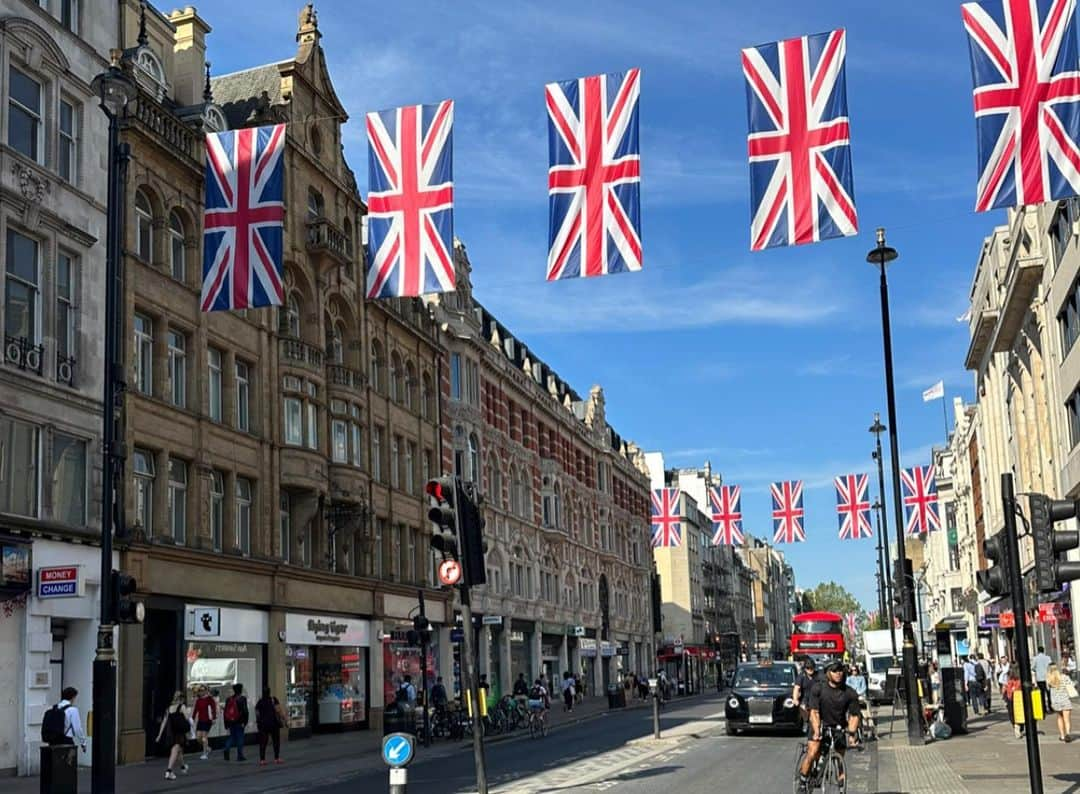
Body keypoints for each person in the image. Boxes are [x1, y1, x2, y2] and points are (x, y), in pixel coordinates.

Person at [797, 660, 861, 794]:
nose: (838, 673)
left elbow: (854, 715)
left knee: (840, 759)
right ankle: (803, 781)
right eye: (834, 670)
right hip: (819, 725)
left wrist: (852, 733)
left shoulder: (850, 693)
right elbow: (814, 712)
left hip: (838, 728)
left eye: (840, 670)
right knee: (813, 751)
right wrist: (816, 730)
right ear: (827, 673)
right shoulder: (818, 689)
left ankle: (842, 789)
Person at [156, 691, 192, 781]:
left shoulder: (168, 709)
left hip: (171, 733)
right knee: (175, 750)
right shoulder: (182, 706)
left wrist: (159, 735)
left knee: (179, 750)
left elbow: (164, 722)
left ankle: (183, 767)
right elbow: (187, 718)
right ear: (182, 698)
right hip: (179, 732)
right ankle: (169, 771)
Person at [41, 686, 87, 753]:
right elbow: (77, 728)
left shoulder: (54, 708)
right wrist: (83, 743)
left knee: (55, 761)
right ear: (73, 697)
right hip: (66, 740)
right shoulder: (73, 710)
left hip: (53, 740)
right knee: (68, 762)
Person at [254, 687, 285, 765]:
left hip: (263, 725)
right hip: (273, 724)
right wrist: (284, 718)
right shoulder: (273, 699)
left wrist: (258, 721)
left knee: (263, 742)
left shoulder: (260, 701)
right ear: (269, 692)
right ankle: (276, 758)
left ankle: (262, 760)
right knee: (276, 741)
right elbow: (278, 710)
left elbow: (257, 712)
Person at [222, 682, 249, 761]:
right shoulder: (242, 699)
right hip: (239, 722)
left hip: (231, 721)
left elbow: (225, 712)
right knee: (240, 737)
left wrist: (226, 723)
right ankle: (240, 755)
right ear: (240, 690)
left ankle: (226, 748)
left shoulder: (229, 699)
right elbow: (245, 711)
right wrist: (245, 722)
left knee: (232, 736)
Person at [792, 657, 820, 733]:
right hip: (806, 698)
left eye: (811, 668)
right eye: (808, 668)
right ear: (805, 668)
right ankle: (806, 721)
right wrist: (795, 699)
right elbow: (796, 688)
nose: (810, 670)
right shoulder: (801, 676)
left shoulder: (818, 676)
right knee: (803, 707)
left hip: (817, 698)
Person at [1048, 664, 1073, 742]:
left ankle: (1062, 735)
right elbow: (1071, 685)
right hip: (1065, 700)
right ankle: (1068, 734)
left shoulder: (1049, 679)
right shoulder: (1064, 677)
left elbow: (1047, 688)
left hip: (1056, 701)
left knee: (1059, 718)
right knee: (1067, 719)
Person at [192, 686, 217, 760]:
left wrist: (214, 718)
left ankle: (204, 754)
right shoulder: (198, 700)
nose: (201, 692)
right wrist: (192, 718)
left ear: (206, 691)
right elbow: (195, 709)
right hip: (200, 720)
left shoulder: (210, 699)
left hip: (207, 720)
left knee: (204, 737)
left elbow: (214, 708)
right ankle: (207, 748)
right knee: (198, 737)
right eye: (200, 690)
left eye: (202, 690)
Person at [1003, 668, 1024, 739]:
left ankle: (1016, 727)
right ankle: (1019, 727)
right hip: (1018, 698)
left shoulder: (1009, 681)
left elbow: (1005, 690)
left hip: (1011, 699)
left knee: (1012, 714)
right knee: (1019, 714)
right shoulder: (1019, 681)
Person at [1034, 646, 1053, 713]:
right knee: (1049, 693)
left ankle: (1043, 708)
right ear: (1043, 650)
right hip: (1047, 677)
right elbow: (1051, 666)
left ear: (1038, 651)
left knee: (1042, 694)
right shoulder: (1048, 658)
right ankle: (1050, 707)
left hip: (1040, 678)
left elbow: (1033, 667)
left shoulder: (1035, 658)